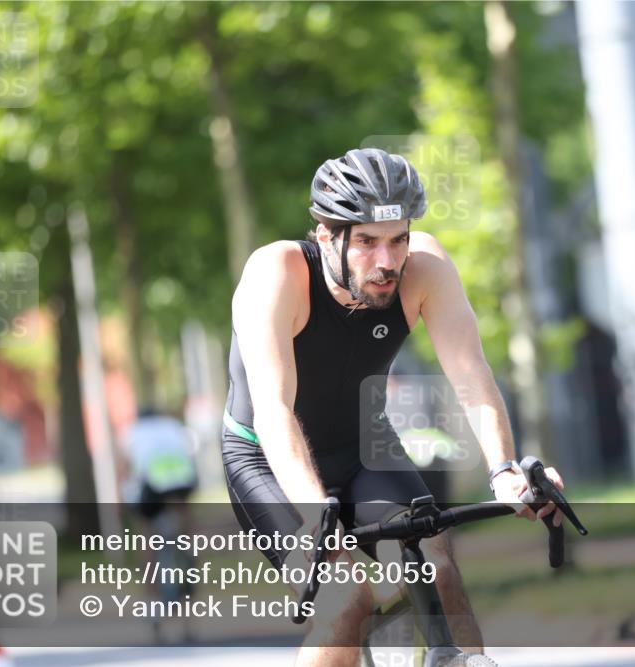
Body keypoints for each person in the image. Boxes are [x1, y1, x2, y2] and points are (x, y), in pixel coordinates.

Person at [223, 147, 565, 666]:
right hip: (267, 457)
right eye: (365, 242)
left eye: (397, 239)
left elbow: (470, 374)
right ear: (325, 234)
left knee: (437, 564)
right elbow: (274, 410)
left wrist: (504, 471)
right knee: (347, 599)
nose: (386, 261)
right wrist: (319, 515)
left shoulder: (424, 267)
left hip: (365, 445)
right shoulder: (277, 273)